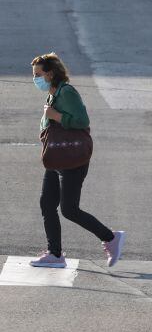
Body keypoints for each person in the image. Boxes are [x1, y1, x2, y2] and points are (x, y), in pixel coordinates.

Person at [30, 53, 124, 268]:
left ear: (50, 74)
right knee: (47, 204)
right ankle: (55, 254)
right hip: (56, 157)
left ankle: (111, 237)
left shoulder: (67, 92)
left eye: (38, 74)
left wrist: (56, 117)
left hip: (72, 159)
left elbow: (82, 121)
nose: (35, 79)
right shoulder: (54, 94)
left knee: (69, 209)